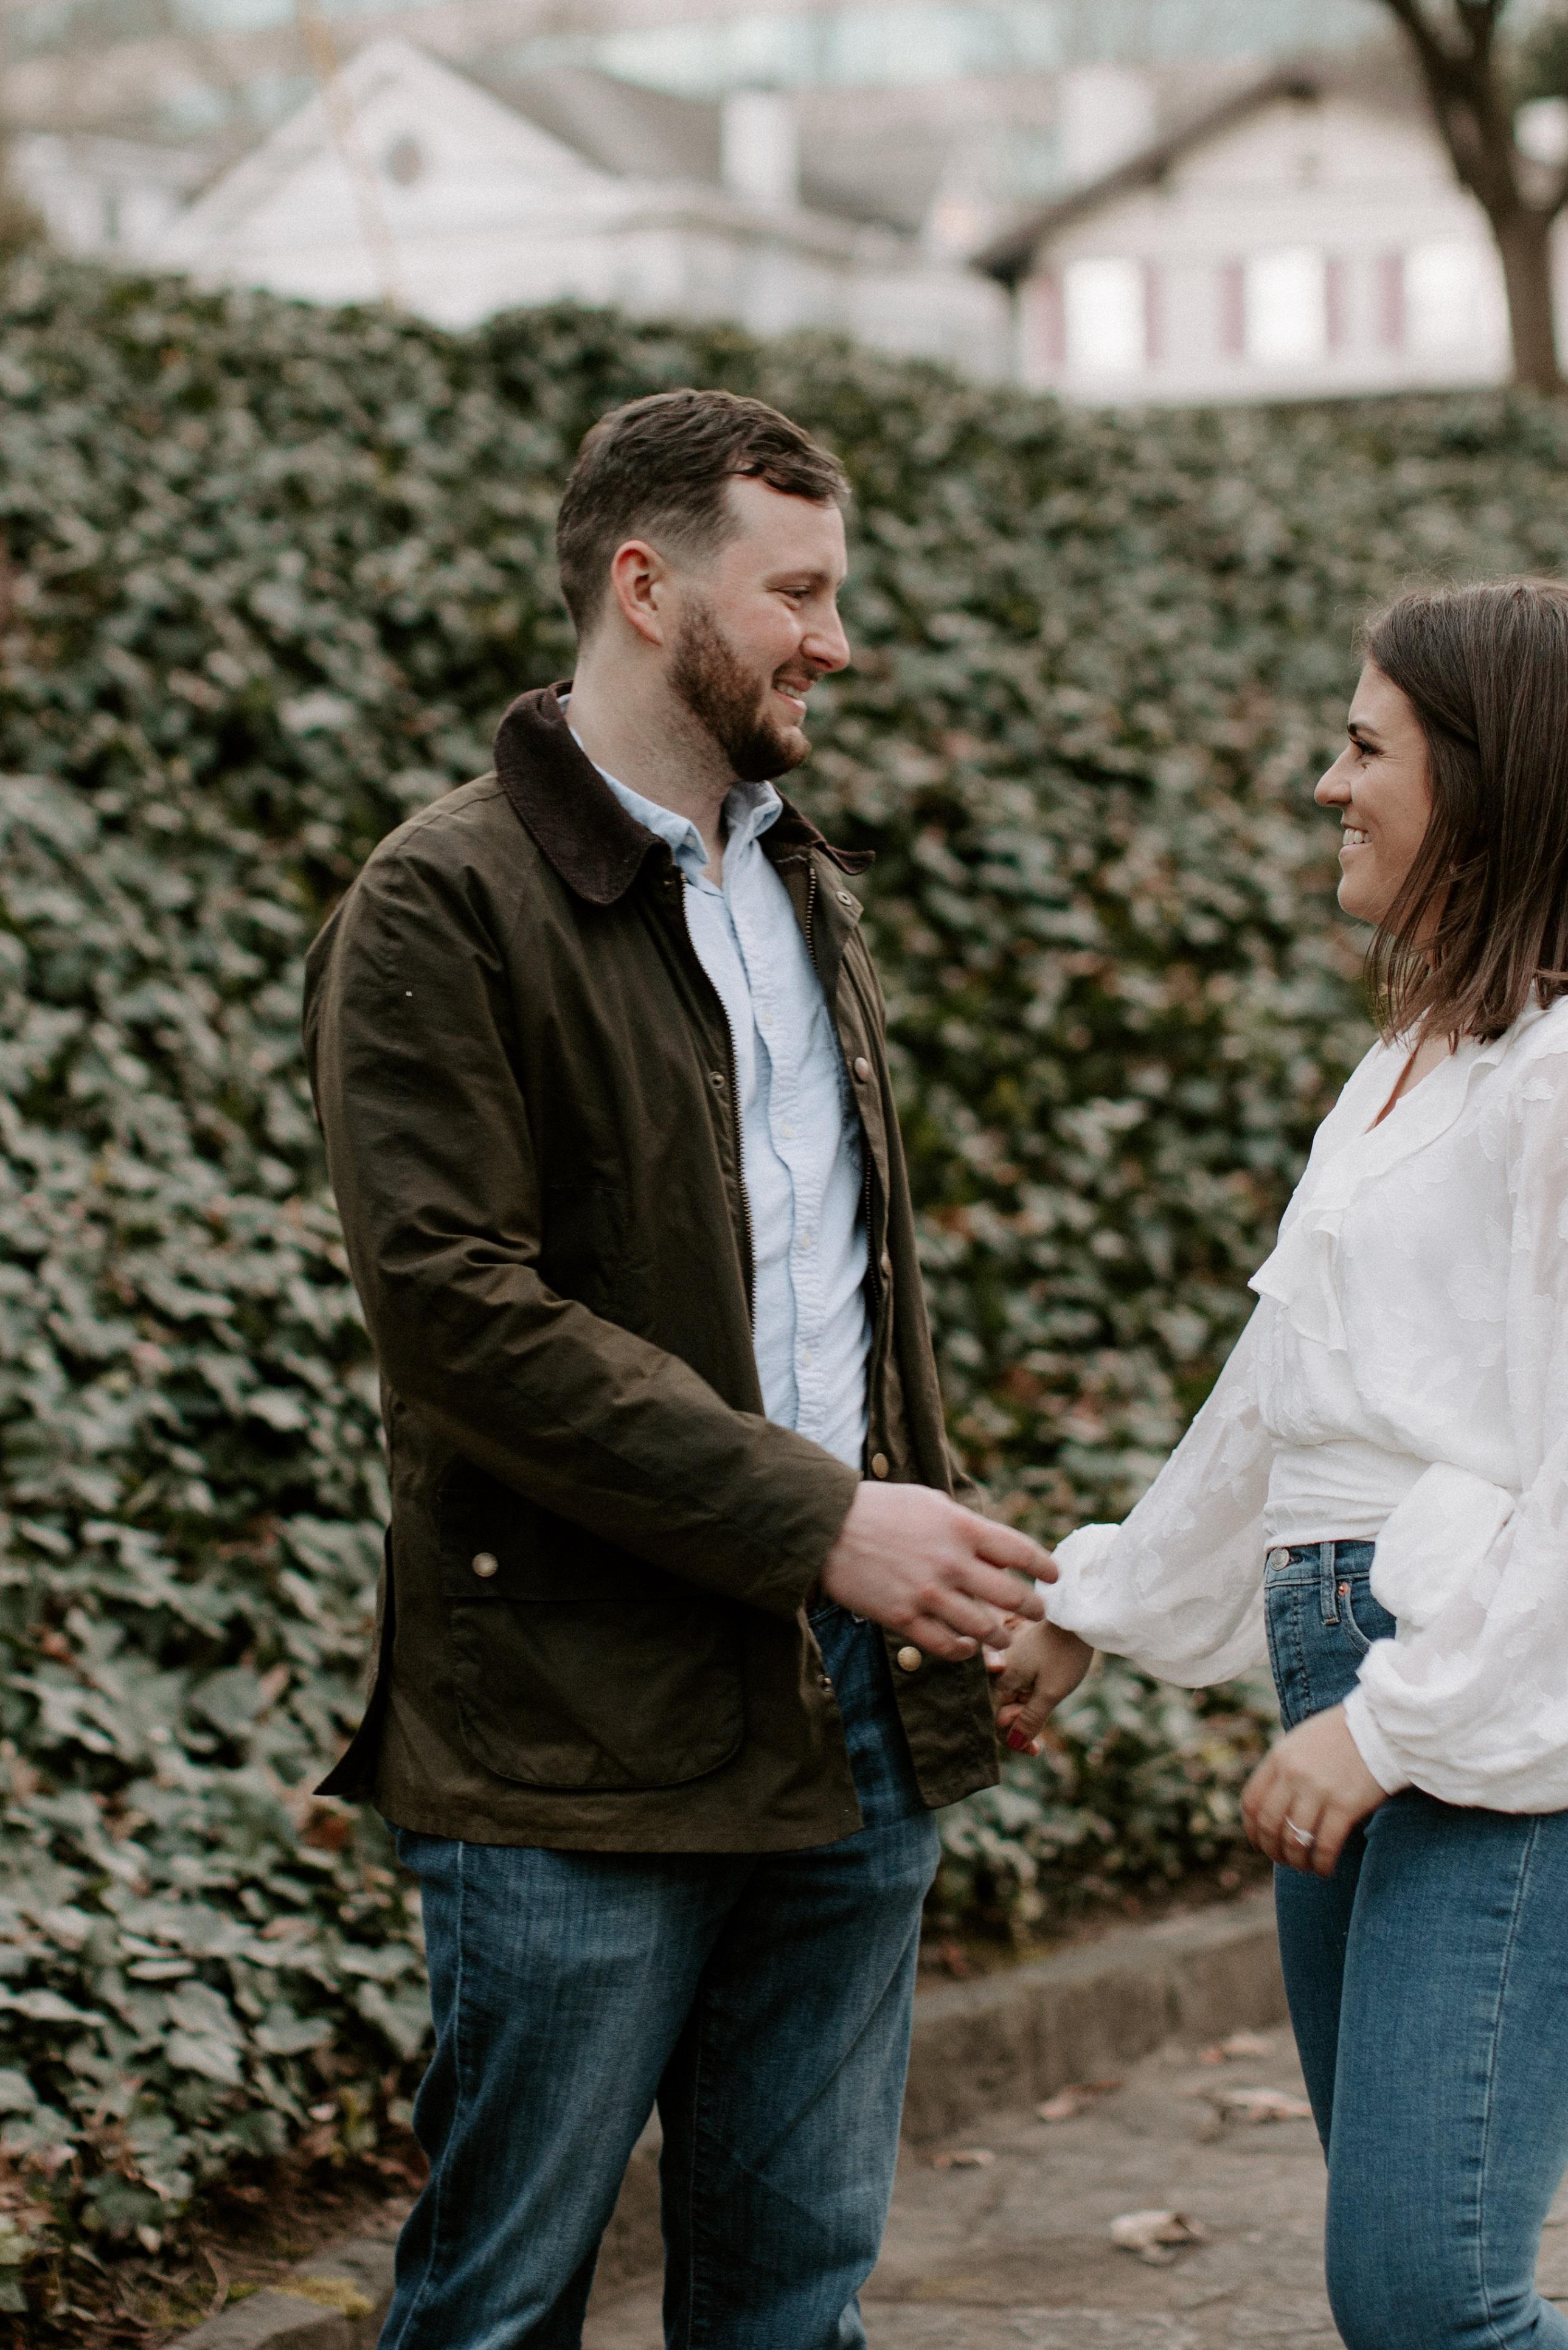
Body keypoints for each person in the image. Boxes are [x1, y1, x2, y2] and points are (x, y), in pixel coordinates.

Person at [303, 387, 1055, 2350]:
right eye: (796, 590)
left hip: (851, 1731)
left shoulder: (809, 889)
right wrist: (825, 1527)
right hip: (568, 1749)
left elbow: (846, 1292)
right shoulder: (442, 902)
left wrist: (942, 1600)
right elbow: (460, 1316)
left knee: (793, 2300)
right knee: (498, 2311)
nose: (836, 636)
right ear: (645, 587)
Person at [990, 578, 1568, 2350]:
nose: (1329, 785)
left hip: (1536, 1723)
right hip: (1387, 1687)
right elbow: (1285, 1392)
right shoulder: (1421, 1060)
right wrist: (1096, 1602)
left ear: (1486, 783)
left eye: (1364, 746)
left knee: (1428, 2298)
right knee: (1413, 2302)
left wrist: (1397, 1722)